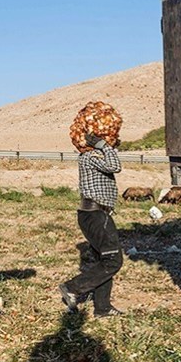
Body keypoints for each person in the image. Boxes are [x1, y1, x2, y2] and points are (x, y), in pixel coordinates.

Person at [59, 124, 124, 317]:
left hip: (91, 214)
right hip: (96, 215)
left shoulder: (89, 158)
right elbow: (115, 166)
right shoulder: (91, 157)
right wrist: (104, 146)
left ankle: (102, 307)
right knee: (113, 260)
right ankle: (72, 288)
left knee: (104, 260)